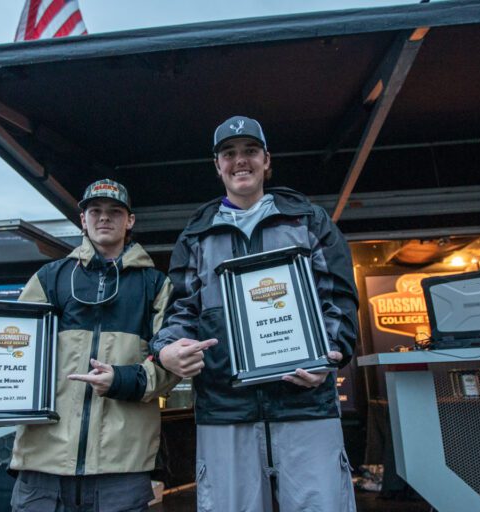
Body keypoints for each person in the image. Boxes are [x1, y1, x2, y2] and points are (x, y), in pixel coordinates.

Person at [151, 116, 359, 511]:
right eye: (228, 154)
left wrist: (328, 354)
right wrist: (166, 350)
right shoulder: (196, 235)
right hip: (224, 409)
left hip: (305, 403)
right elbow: (180, 310)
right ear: (218, 166)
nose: (239, 161)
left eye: (249, 151)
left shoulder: (309, 221)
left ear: (267, 160)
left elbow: (339, 299)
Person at [0, 179, 179, 512]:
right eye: (95, 211)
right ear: (83, 219)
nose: (104, 218)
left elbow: (172, 367)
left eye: (114, 211)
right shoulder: (49, 278)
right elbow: (7, 351)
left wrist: (120, 380)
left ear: (131, 221)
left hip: (122, 471)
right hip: (41, 468)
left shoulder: (155, 284)